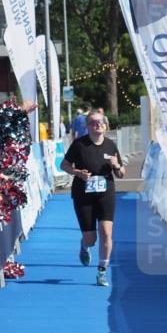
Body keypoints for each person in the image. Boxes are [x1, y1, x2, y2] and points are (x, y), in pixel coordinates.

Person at [60, 110, 125, 287]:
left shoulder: (111, 145)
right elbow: (63, 165)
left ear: (105, 125)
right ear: (87, 126)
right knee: (91, 238)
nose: (98, 124)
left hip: (106, 193)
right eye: (94, 122)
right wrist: (76, 172)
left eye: (101, 121)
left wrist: (117, 165)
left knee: (106, 232)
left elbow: (121, 173)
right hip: (83, 195)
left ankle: (102, 272)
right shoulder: (79, 145)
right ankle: (84, 246)